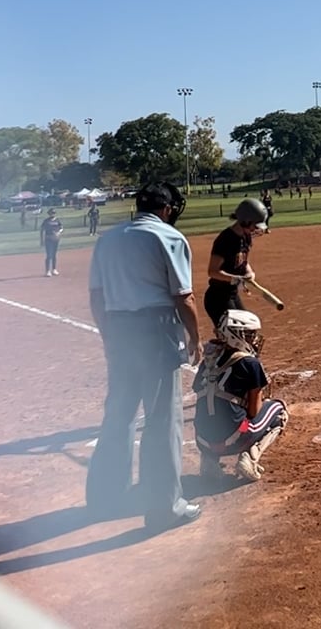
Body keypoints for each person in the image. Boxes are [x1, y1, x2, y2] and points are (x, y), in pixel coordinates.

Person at [84, 183, 202, 531]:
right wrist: (195, 337)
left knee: (118, 415)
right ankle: (165, 506)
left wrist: (108, 336)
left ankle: (105, 499)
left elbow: (96, 296)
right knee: (162, 420)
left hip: (119, 328)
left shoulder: (108, 239)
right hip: (156, 329)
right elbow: (183, 297)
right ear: (168, 209)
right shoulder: (168, 237)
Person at [192, 309, 288, 482]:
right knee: (278, 408)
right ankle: (250, 457)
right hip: (237, 439)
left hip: (202, 441)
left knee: (213, 410)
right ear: (234, 334)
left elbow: (199, 391)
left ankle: (209, 461)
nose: (253, 339)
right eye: (249, 335)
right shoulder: (250, 363)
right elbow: (253, 412)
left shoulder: (207, 362)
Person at [205, 199, 269, 332]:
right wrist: (235, 279)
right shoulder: (225, 239)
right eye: (254, 225)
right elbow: (213, 271)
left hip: (232, 294)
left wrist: (249, 273)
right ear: (245, 221)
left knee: (247, 331)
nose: (256, 229)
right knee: (235, 335)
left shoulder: (246, 237)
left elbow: (243, 261)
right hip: (218, 297)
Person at [40, 208, 64, 277]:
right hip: (48, 239)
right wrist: (41, 240)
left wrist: (58, 232)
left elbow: (61, 228)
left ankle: (54, 269)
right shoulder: (46, 221)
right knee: (49, 255)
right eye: (51, 213)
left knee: (54, 255)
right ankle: (47, 271)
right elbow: (42, 230)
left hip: (55, 239)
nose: (52, 214)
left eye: (53, 213)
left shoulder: (57, 220)